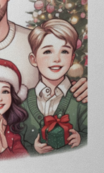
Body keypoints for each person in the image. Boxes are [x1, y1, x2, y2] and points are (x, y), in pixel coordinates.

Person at [21, 19, 87, 155]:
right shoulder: (24, 103)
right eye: (47, 51)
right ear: (34, 59)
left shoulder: (81, 97)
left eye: (64, 51)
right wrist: (34, 149)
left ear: (72, 58)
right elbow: (17, 143)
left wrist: (81, 139)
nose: (57, 59)